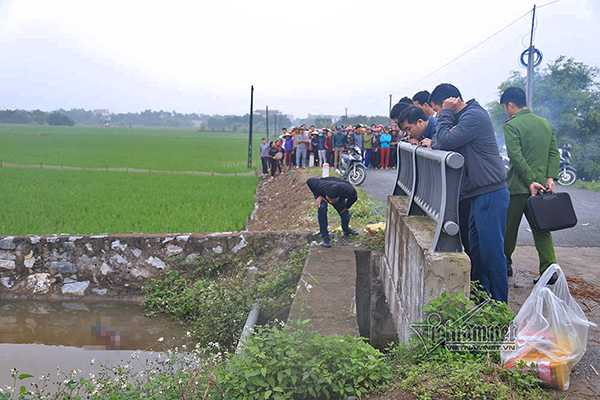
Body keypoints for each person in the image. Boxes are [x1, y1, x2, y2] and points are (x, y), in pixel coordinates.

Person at [430, 83, 509, 303]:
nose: (438, 115)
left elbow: (443, 142)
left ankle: (501, 306)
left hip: (491, 193)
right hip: (478, 194)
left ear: (449, 101)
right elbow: (439, 141)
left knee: (493, 254)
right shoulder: (463, 118)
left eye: (437, 110)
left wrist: (445, 113)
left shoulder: (473, 116)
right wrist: (446, 123)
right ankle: (481, 299)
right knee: (477, 252)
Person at [500, 87, 560, 283]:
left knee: (509, 228)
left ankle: (505, 264)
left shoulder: (511, 125)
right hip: (542, 187)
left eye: (505, 107)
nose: (505, 112)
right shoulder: (545, 124)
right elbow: (554, 153)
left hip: (518, 187)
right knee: (542, 229)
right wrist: (550, 178)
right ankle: (549, 271)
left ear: (510, 104)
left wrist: (529, 180)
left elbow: (515, 157)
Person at [306, 177, 359, 248]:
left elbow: (354, 197)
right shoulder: (319, 185)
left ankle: (346, 229)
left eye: (332, 200)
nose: (330, 202)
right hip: (322, 195)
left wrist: (347, 207)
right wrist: (318, 195)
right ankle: (325, 237)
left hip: (338, 194)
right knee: (322, 208)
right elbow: (309, 181)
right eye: (329, 200)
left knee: (345, 214)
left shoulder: (348, 190)